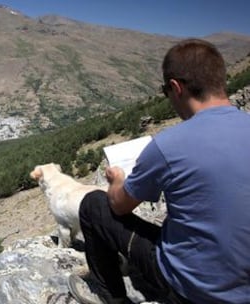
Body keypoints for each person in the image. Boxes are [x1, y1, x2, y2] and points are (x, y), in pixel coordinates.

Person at [67, 38, 250, 304]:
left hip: (192, 290)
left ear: (176, 88)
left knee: (94, 205)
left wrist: (117, 179)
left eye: (165, 91)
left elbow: (119, 206)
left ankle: (110, 297)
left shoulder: (169, 145)